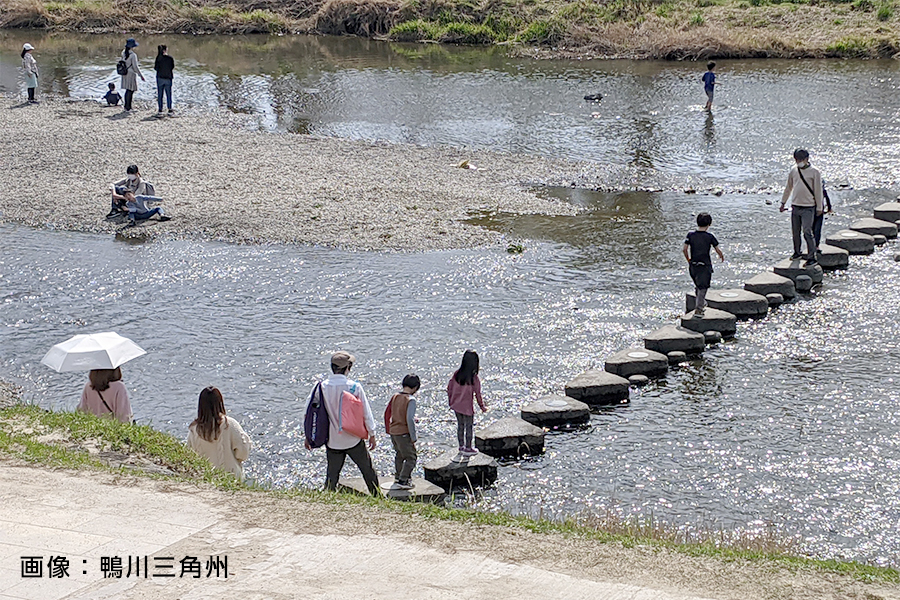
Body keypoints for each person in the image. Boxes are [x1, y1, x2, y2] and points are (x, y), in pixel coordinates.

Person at [304, 351, 380, 495]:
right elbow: (366, 412)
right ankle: (377, 496)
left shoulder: (321, 387)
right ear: (348, 368)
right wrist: (372, 434)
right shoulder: (354, 386)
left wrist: (308, 436)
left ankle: (328, 497)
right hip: (353, 439)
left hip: (332, 440)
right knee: (367, 470)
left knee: (332, 474)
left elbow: (308, 414)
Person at [187, 386, 252, 481]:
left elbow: (189, 457)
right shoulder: (230, 424)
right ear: (220, 402)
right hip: (232, 479)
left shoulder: (193, 430)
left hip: (203, 480)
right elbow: (243, 453)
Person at [780, 148, 824, 267]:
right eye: (796, 159)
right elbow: (788, 187)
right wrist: (783, 202)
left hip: (809, 207)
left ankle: (811, 257)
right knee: (795, 232)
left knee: (807, 232)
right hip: (795, 206)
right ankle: (797, 252)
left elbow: (818, 191)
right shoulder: (794, 171)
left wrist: (820, 207)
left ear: (806, 159)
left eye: (800, 159)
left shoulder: (815, 172)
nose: (798, 161)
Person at [683, 212, 724, 318]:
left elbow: (684, 249)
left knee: (698, 285)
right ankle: (699, 309)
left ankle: (701, 303)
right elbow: (717, 249)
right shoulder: (709, 237)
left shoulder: (690, 235)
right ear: (709, 224)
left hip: (693, 265)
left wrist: (688, 259)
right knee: (703, 287)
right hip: (704, 265)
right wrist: (721, 256)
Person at [447, 350, 486, 456]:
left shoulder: (456, 375)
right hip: (467, 408)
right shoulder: (473, 378)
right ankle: (468, 448)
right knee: (469, 427)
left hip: (456, 405)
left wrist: (450, 401)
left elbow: (449, 388)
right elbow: (478, 394)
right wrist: (482, 407)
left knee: (460, 426)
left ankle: (461, 446)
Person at [387, 374, 420, 490]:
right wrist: (413, 436)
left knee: (400, 455)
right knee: (411, 457)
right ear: (415, 387)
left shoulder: (395, 396)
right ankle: (404, 479)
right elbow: (409, 419)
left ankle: (398, 476)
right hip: (404, 432)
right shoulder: (410, 400)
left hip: (393, 431)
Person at [120, 38, 145, 112]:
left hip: (124, 73)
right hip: (131, 74)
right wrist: (141, 76)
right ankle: (128, 107)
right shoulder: (133, 55)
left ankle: (126, 106)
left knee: (127, 90)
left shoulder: (123, 53)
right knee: (131, 90)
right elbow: (135, 67)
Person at [154, 45, 175, 117]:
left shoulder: (158, 58)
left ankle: (160, 109)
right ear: (165, 50)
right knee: (168, 94)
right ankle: (170, 109)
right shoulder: (170, 58)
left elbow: (155, 68)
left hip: (160, 78)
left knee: (160, 94)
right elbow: (172, 67)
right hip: (168, 78)